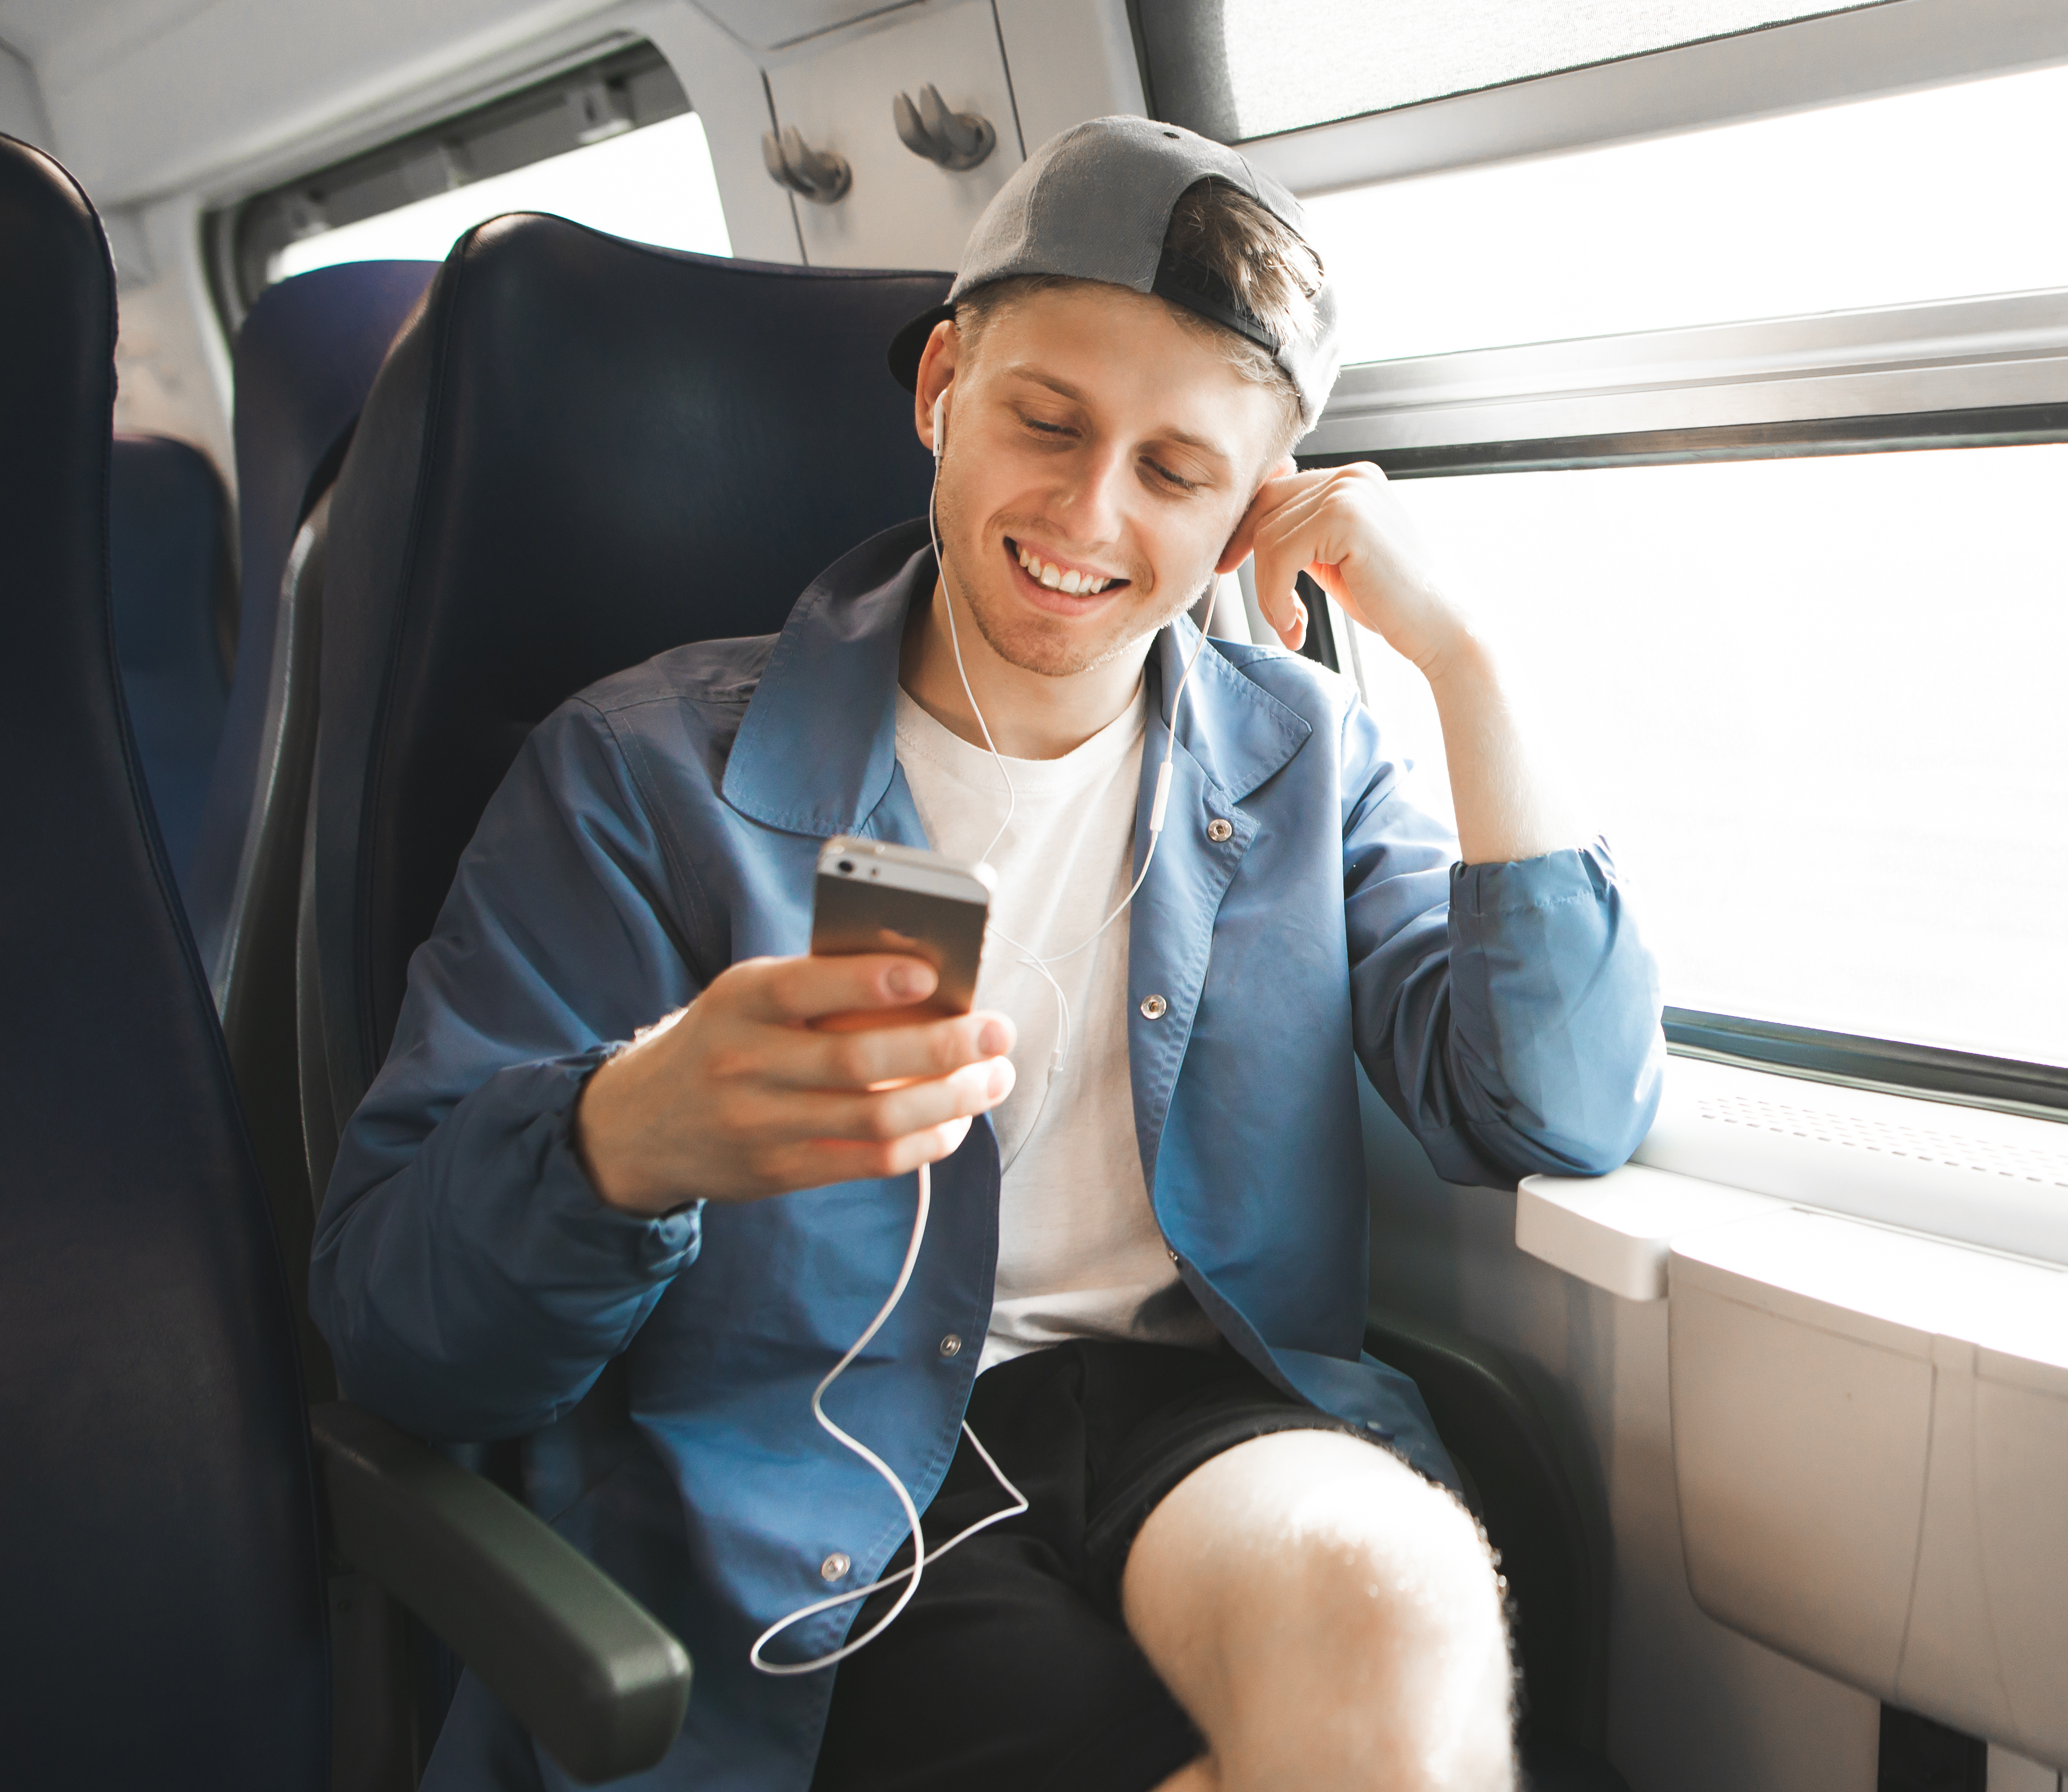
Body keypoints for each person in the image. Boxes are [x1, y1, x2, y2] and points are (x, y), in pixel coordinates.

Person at [311, 117, 1665, 1792]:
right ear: (942, 384)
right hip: (829, 1467)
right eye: (1046, 421)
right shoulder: (644, 775)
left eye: (1178, 473)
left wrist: (1464, 658)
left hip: (1193, 1417)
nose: (1090, 515)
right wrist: (628, 1138)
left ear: (1249, 510)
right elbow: (396, 1332)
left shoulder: (1306, 761)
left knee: (1402, 1599)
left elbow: (1555, 1111)